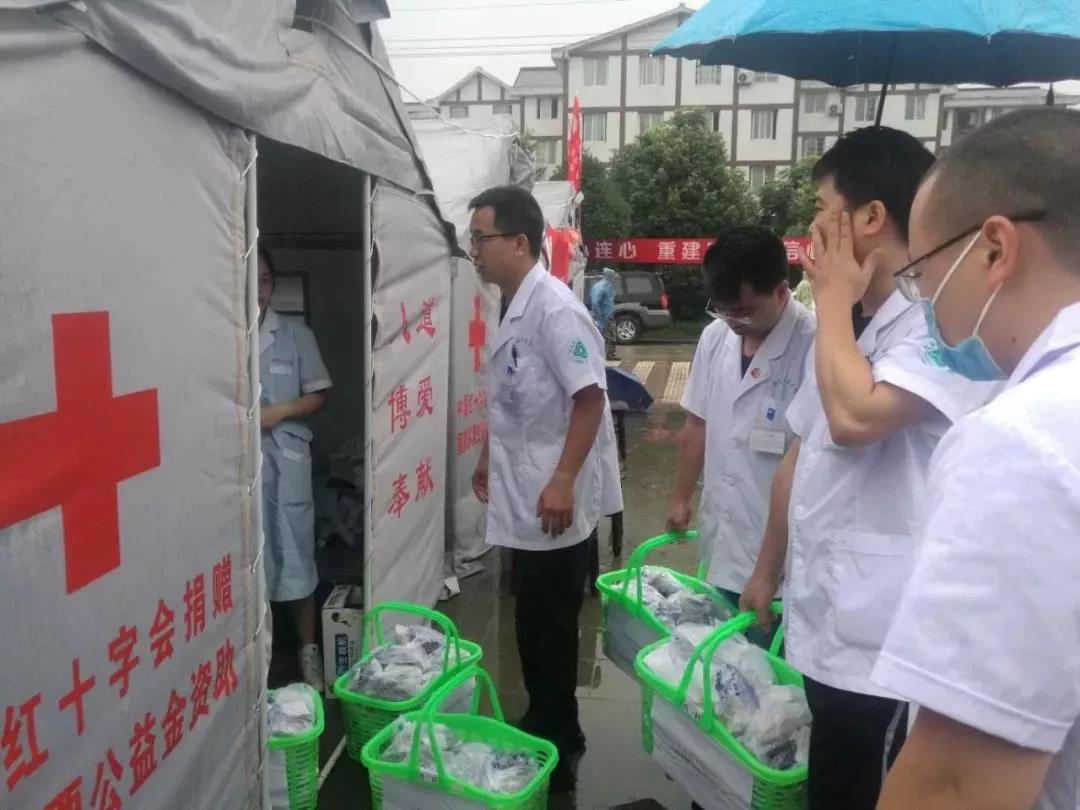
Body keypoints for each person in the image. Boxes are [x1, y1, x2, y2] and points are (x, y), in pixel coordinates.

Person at [739, 127, 996, 809]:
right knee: (831, 783)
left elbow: (855, 420)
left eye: (823, 209)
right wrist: (765, 570)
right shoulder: (850, 324)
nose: (812, 230)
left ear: (871, 217)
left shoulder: (938, 324)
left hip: (884, 642)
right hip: (826, 620)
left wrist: (828, 299)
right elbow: (802, 450)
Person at [872, 108, 1080, 810]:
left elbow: (956, 786)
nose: (926, 303)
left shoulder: (1028, 443)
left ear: (993, 250)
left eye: (923, 274)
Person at [468, 186, 622, 793]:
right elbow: (511, 397)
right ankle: (545, 720)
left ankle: (560, 740)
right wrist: (487, 456)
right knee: (530, 619)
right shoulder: (511, 303)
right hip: (524, 489)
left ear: (518, 242)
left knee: (552, 625)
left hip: (552, 498)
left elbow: (590, 397)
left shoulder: (555, 309)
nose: (473, 250)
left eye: (480, 238)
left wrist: (562, 479)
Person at [667, 226, 815, 642]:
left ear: (781, 292)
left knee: (768, 666)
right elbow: (697, 423)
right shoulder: (716, 337)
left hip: (779, 558)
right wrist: (681, 496)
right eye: (723, 310)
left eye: (745, 312)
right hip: (722, 536)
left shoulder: (815, 346)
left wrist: (768, 570)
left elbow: (810, 460)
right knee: (720, 660)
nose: (733, 322)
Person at [258, 247, 332, 690]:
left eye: (266, 279)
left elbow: (320, 395)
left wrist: (280, 412)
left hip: (286, 462)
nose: (259, 289)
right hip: (243, 467)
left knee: (297, 555)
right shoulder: (224, 334)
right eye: (252, 279)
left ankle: (308, 653)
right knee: (252, 562)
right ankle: (260, 664)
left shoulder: (295, 334)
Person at [590, 266, 618, 360]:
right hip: (604, 316)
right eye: (613, 276)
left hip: (607, 315)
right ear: (609, 276)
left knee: (608, 335)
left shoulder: (605, 285)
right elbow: (595, 303)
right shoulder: (602, 287)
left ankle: (607, 354)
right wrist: (599, 317)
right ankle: (606, 355)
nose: (614, 279)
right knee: (608, 335)